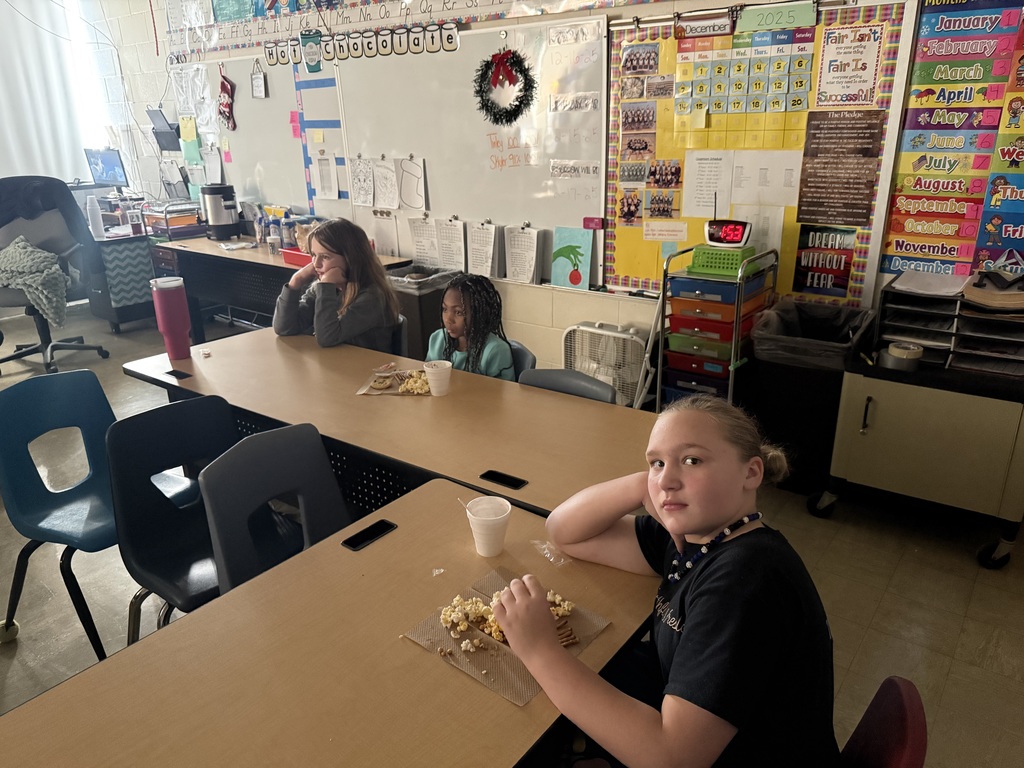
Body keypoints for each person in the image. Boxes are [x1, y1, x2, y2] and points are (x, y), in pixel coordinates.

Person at [494, 394, 840, 767]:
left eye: (692, 460)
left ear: (750, 473)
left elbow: (673, 759)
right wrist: (641, 486)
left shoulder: (746, 581)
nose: (668, 480)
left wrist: (539, 650)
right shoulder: (699, 536)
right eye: (657, 463)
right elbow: (564, 532)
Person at [273, 218, 399, 351]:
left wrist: (326, 285)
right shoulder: (322, 289)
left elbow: (327, 337)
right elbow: (284, 328)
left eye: (325, 257)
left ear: (350, 259)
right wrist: (295, 281)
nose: (316, 264)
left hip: (365, 368)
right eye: (314, 255)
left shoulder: (372, 296)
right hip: (335, 364)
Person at [425, 273, 515, 381]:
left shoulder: (496, 350)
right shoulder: (437, 339)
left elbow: (504, 394)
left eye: (458, 312)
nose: (448, 319)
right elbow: (427, 380)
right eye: (445, 309)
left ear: (479, 314)